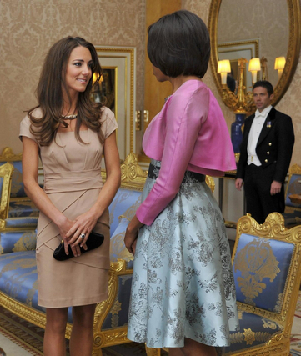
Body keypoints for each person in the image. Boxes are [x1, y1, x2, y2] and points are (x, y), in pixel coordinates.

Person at [123, 10, 239, 355]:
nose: (151, 59)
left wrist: (133, 224)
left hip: (178, 218)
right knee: (186, 325)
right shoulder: (194, 92)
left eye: (154, 49)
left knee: (180, 330)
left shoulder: (186, 97)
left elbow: (168, 181)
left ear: (169, 51)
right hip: (192, 209)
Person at [20, 36, 121, 356]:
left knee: (85, 318)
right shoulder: (34, 120)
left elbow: (115, 174)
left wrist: (91, 217)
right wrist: (63, 222)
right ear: (59, 68)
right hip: (55, 223)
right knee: (54, 319)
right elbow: (29, 182)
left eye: (89, 65)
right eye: (78, 64)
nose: (86, 71)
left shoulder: (103, 116)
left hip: (94, 220)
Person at [235, 80, 294, 224]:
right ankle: (256, 246)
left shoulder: (281, 120)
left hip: (269, 174)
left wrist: (278, 180)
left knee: (271, 218)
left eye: (262, 95)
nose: (258, 99)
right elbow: (245, 149)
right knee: (253, 217)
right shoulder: (248, 121)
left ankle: (271, 247)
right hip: (250, 174)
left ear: (271, 96)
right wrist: (240, 175)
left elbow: (284, 153)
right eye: (255, 95)